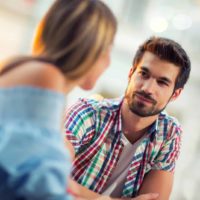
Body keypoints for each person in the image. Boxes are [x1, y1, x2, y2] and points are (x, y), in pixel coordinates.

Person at [0, 0, 117, 199]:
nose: (108, 61)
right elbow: (43, 187)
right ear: (91, 47)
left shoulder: (29, 71)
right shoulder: (46, 76)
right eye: (108, 48)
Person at [65, 36, 191, 200]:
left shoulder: (169, 132)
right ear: (131, 73)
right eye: (143, 74)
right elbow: (50, 179)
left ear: (175, 94)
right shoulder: (88, 113)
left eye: (162, 82)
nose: (147, 88)